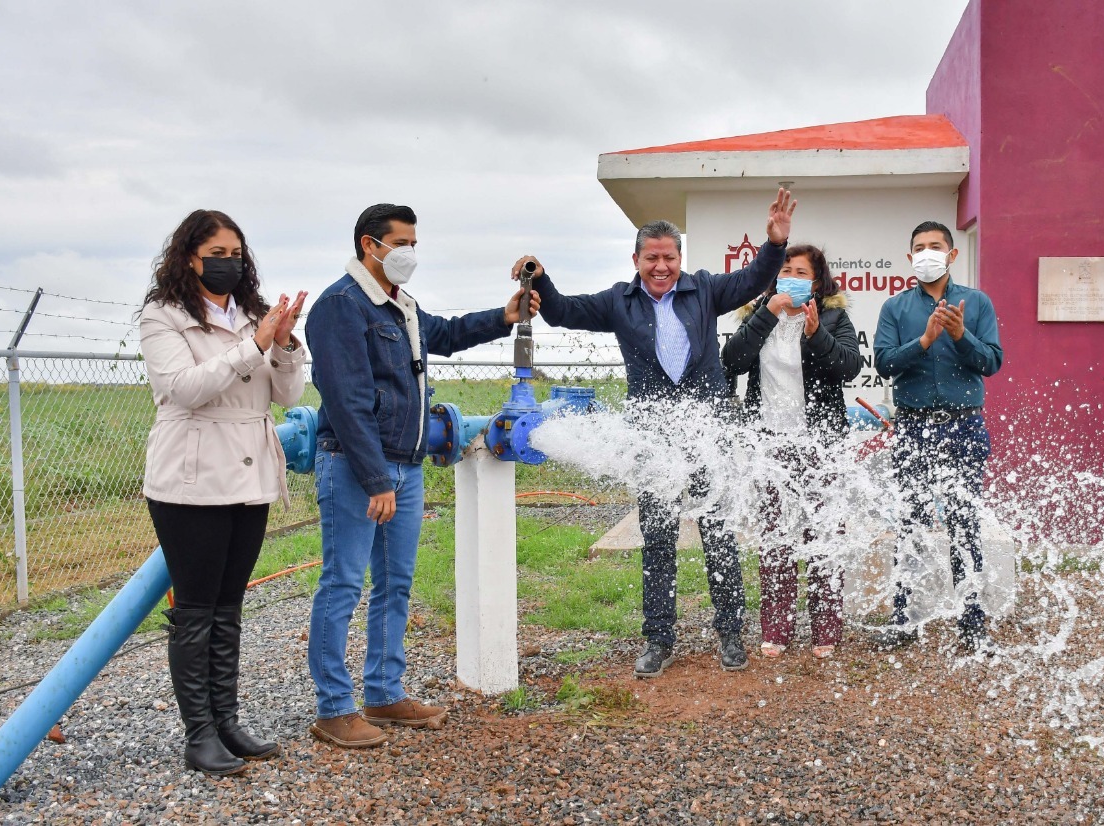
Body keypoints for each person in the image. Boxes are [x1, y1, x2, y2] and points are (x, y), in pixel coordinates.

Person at [512, 188, 797, 678]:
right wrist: (541, 277)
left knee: (719, 534)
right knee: (658, 538)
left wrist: (774, 244)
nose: (660, 266)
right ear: (637, 259)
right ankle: (659, 638)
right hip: (653, 437)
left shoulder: (705, 289)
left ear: (680, 259)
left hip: (708, 431)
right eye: (651, 258)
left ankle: (730, 633)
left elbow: (754, 279)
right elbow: (564, 311)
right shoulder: (618, 302)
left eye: (668, 257)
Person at [304, 203, 540, 749]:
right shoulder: (342, 307)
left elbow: (447, 333)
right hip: (358, 466)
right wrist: (375, 479)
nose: (410, 253)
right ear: (371, 245)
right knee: (342, 584)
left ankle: (384, 692)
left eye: (414, 243)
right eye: (402, 243)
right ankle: (333, 707)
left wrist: (503, 317)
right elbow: (347, 401)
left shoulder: (400, 307)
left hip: (404, 469)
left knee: (395, 585)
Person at [139, 209, 307, 775]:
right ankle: (199, 735)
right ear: (189, 256)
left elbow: (288, 394)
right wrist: (252, 345)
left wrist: (282, 345)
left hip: (250, 472)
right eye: (217, 253)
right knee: (196, 609)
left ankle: (228, 720)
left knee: (229, 605)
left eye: (236, 253)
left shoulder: (254, 316)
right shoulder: (163, 317)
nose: (228, 262)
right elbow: (184, 389)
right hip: (191, 478)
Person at [722, 244, 862, 659]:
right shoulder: (756, 316)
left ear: (816, 283)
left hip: (820, 446)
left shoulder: (834, 317)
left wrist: (816, 334)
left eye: (801, 272)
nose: (792, 278)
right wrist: (767, 314)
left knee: (823, 538)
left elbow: (849, 368)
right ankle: (777, 630)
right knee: (776, 539)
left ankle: (825, 632)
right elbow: (731, 361)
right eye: (785, 270)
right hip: (770, 446)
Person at [873, 220, 1004, 652]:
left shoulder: (976, 302)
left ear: (952, 255)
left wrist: (959, 335)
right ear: (910, 258)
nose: (927, 253)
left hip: (964, 425)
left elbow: (992, 362)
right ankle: (902, 619)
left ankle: (971, 621)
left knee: (965, 526)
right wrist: (926, 340)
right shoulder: (895, 308)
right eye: (919, 247)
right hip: (913, 427)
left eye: (935, 246)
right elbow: (885, 363)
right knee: (910, 522)